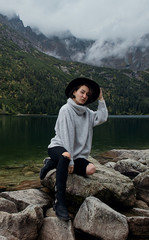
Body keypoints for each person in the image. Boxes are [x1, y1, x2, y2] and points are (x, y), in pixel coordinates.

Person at [40, 77, 108, 221]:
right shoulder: (66, 110)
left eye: (87, 95)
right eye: (82, 92)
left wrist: (101, 99)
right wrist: (70, 162)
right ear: (74, 92)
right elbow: (66, 137)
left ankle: (51, 163)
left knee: (91, 170)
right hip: (59, 147)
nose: (84, 96)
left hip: (74, 154)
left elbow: (102, 118)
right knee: (64, 156)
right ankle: (60, 202)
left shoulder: (87, 113)